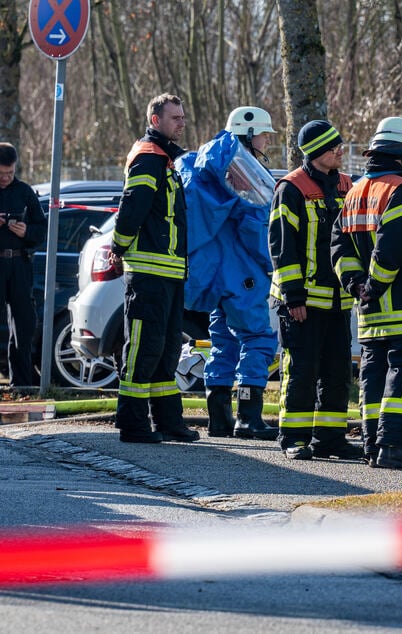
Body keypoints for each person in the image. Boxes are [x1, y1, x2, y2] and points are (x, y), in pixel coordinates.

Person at [331, 116, 402, 471]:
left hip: (369, 311)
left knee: (373, 376)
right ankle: (394, 444)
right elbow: (390, 247)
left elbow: (339, 245)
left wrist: (356, 285)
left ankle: (372, 445)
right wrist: (375, 285)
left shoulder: (356, 191)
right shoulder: (400, 190)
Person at [176, 106, 280, 441]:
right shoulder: (244, 170)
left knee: (222, 341)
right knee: (257, 339)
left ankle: (219, 418)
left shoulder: (203, 163)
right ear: (248, 135)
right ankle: (249, 417)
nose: (266, 140)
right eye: (264, 134)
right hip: (242, 271)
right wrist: (271, 262)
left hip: (211, 272)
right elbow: (254, 226)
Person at [269, 120, 364, 461]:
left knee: (338, 372)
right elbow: (282, 247)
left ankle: (330, 439)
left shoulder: (346, 186)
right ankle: (293, 437)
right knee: (301, 372)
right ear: (317, 151)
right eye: (334, 145)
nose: (341, 149)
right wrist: (294, 296)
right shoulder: (291, 188)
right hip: (302, 302)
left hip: (337, 301)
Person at [111, 93, 199, 443]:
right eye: (175, 117)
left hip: (170, 272)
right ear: (155, 120)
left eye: (182, 117)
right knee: (144, 347)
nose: (181, 123)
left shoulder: (166, 160)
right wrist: (118, 247)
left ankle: (168, 420)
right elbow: (131, 208)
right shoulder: (148, 159)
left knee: (166, 350)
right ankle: (132, 423)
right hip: (149, 272)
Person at [0, 143, 46, 387]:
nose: (6, 178)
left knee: (23, 326)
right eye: (1, 174)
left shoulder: (24, 191)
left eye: (10, 173)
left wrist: (27, 230)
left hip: (19, 262)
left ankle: (21, 384)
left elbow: (42, 228)